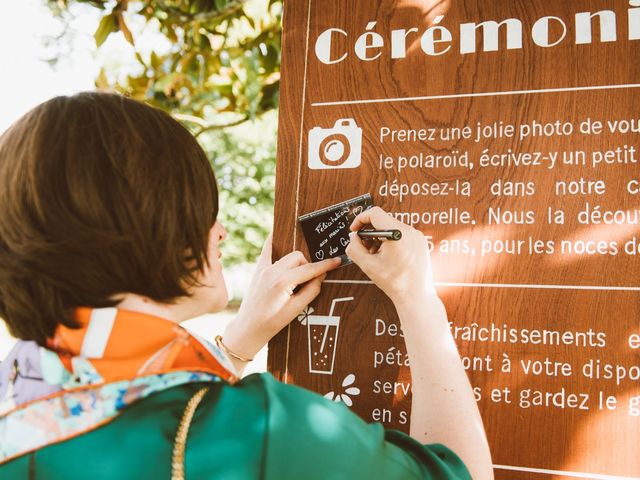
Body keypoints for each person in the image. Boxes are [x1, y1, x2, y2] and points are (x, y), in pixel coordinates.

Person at [0, 92, 493, 479]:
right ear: (146, 226)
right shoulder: (265, 432)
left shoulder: (19, 395)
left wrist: (239, 341)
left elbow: (120, 400)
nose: (221, 230)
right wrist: (416, 295)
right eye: (201, 207)